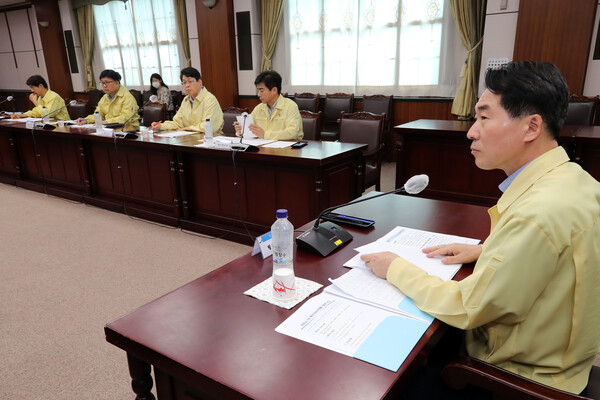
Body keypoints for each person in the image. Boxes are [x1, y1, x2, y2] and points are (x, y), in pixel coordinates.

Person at [361, 61, 600, 398]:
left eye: (484, 117)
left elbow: (469, 306)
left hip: (519, 379)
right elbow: (562, 256)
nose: (472, 131)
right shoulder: (575, 180)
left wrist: (396, 268)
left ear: (532, 127)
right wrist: (488, 251)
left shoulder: (538, 213)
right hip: (563, 358)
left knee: (388, 380)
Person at [234, 70, 303, 140]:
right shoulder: (258, 108)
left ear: (274, 90)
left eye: (262, 91)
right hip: (263, 148)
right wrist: (241, 131)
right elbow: (251, 130)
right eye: (258, 91)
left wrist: (265, 135)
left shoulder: (290, 106)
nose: (259, 94)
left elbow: (292, 133)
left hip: (287, 149)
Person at [153, 67, 223, 135]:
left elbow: (209, 126)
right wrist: (161, 126)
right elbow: (177, 123)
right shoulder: (186, 100)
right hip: (191, 140)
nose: (187, 85)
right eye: (184, 82)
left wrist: (189, 128)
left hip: (211, 141)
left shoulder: (209, 99)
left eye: (190, 82)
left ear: (199, 82)